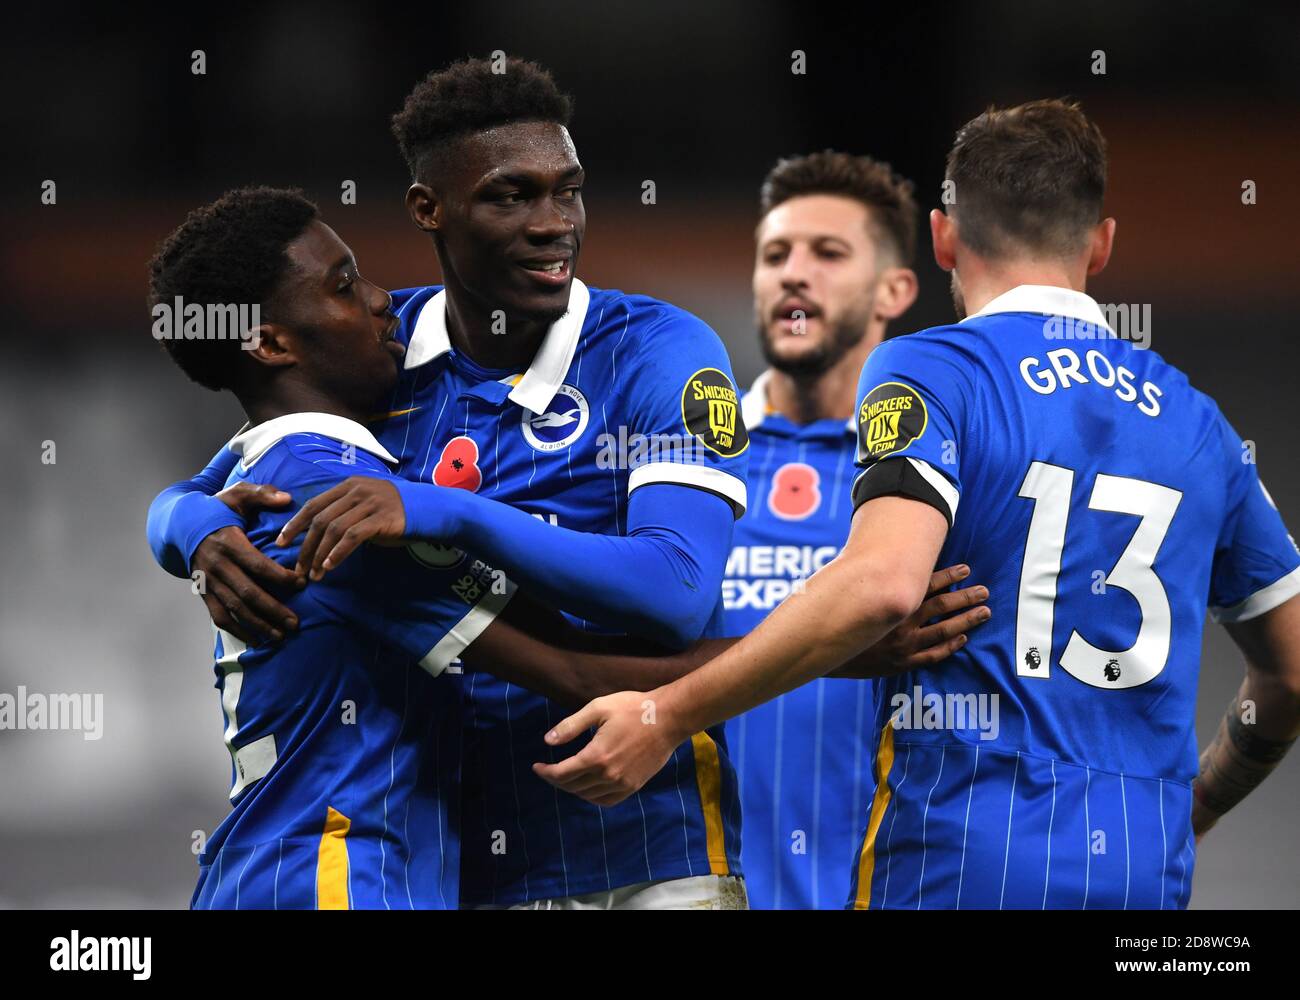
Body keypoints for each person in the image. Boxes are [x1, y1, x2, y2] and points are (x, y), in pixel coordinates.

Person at [534, 99, 1300, 910]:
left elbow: (883, 585)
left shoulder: (935, 368)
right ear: (1102, 244)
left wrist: (665, 714)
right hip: (1142, 877)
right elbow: (1289, 671)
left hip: (959, 856)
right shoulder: (1201, 426)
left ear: (941, 238)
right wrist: (1195, 808)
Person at [724, 150, 987, 908]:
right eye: (775, 255)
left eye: (828, 253)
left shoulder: (946, 480)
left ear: (896, 289)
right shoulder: (692, 474)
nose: (793, 274)